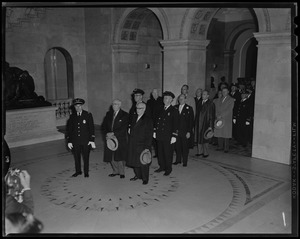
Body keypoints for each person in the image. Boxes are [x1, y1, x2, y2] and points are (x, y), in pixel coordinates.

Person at [66, 98, 96, 178]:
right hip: (75, 141)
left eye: (79, 106)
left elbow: (91, 128)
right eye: (76, 106)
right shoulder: (72, 116)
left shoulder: (88, 115)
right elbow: (69, 130)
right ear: (74, 107)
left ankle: (86, 172)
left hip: (86, 141)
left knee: (86, 157)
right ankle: (78, 171)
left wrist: (92, 140)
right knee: (76, 157)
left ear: (82, 106)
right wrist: (69, 141)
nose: (78, 108)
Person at [127, 102, 153, 185]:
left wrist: (147, 147)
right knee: (134, 161)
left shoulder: (148, 120)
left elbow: (149, 134)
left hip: (142, 144)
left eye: (140, 108)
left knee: (143, 162)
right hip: (133, 143)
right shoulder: (134, 117)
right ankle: (138, 175)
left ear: (144, 109)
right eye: (137, 108)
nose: (138, 110)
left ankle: (145, 178)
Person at [153, 91, 179, 176]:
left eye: (167, 98)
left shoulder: (173, 110)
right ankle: (162, 166)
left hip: (168, 136)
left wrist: (174, 135)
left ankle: (168, 168)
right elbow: (156, 121)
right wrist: (154, 131)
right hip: (160, 134)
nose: (165, 99)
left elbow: (176, 124)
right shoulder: (160, 108)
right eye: (164, 98)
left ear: (171, 100)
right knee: (160, 152)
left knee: (168, 153)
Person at [103, 99, 129, 179]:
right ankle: (115, 171)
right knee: (111, 156)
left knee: (120, 156)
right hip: (109, 138)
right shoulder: (109, 114)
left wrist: (114, 133)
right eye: (113, 104)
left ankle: (121, 172)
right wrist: (107, 133)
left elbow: (124, 128)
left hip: (120, 138)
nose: (114, 105)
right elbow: (104, 126)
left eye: (116, 104)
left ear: (120, 105)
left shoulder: (125, 115)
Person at [174, 94, 194, 166]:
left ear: (185, 99)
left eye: (182, 99)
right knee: (177, 146)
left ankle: (185, 161)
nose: (180, 100)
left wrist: (189, 131)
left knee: (185, 147)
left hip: (185, 131)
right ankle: (178, 160)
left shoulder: (189, 108)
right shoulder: (175, 107)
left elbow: (191, 121)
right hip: (177, 131)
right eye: (179, 99)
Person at [214, 87, 235, 153]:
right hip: (218, 118)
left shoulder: (231, 100)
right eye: (223, 91)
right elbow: (216, 108)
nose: (224, 93)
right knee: (219, 132)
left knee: (226, 134)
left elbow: (229, 109)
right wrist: (217, 115)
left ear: (228, 91)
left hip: (226, 118)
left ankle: (226, 148)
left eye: (225, 91)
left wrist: (221, 115)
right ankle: (220, 146)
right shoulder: (219, 99)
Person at [195, 90, 215, 157]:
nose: (202, 95)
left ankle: (206, 153)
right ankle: (199, 152)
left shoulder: (211, 104)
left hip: (206, 123)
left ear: (208, 96)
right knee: (199, 137)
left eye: (204, 94)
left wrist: (210, 126)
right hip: (199, 123)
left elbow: (212, 116)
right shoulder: (199, 102)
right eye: (202, 94)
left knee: (205, 138)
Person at [146, 89, 164, 158]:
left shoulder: (161, 100)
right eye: (153, 93)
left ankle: (160, 153)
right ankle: (156, 153)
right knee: (153, 139)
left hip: (159, 122)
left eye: (155, 93)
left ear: (158, 93)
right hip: (152, 122)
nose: (154, 94)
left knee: (159, 139)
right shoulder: (149, 101)